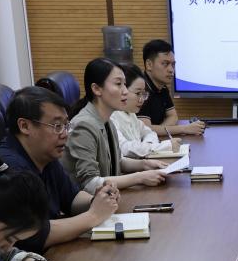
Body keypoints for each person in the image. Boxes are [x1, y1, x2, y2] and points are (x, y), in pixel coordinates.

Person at [0, 86, 119, 253]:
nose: (65, 134)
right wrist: (93, 215)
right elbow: (33, 236)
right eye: (57, 125)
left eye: (66, 125)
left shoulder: (45, 154)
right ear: (24, 126)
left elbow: (71, 198)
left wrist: (98, 200)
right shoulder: (10, 168)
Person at [63, 58, 169, 193]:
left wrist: (144, 165)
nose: (125, 91)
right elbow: (90, 183)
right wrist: (140, 177)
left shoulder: (107, 121)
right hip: (88, 202)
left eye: (125, 84)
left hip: (110, 197)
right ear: (96, 89)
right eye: (118, 84)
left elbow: (117, 161)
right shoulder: (83, 125)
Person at [112, 64, 180, 159]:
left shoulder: (131, 114)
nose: (142, 100)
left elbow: (150, 133)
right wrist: (163, 146)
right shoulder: (112, 117)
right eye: (138, 93)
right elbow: (124, 148)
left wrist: (148, 146)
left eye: (143, 93)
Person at [140, 39, 206, 137]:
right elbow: (146, 130)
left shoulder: (162, 87)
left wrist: (160, 130)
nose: (171, 70)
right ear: (149, 65)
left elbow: (173, 116)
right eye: (165, 64)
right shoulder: (140, 90)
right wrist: (184, 129)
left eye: (173, 64)